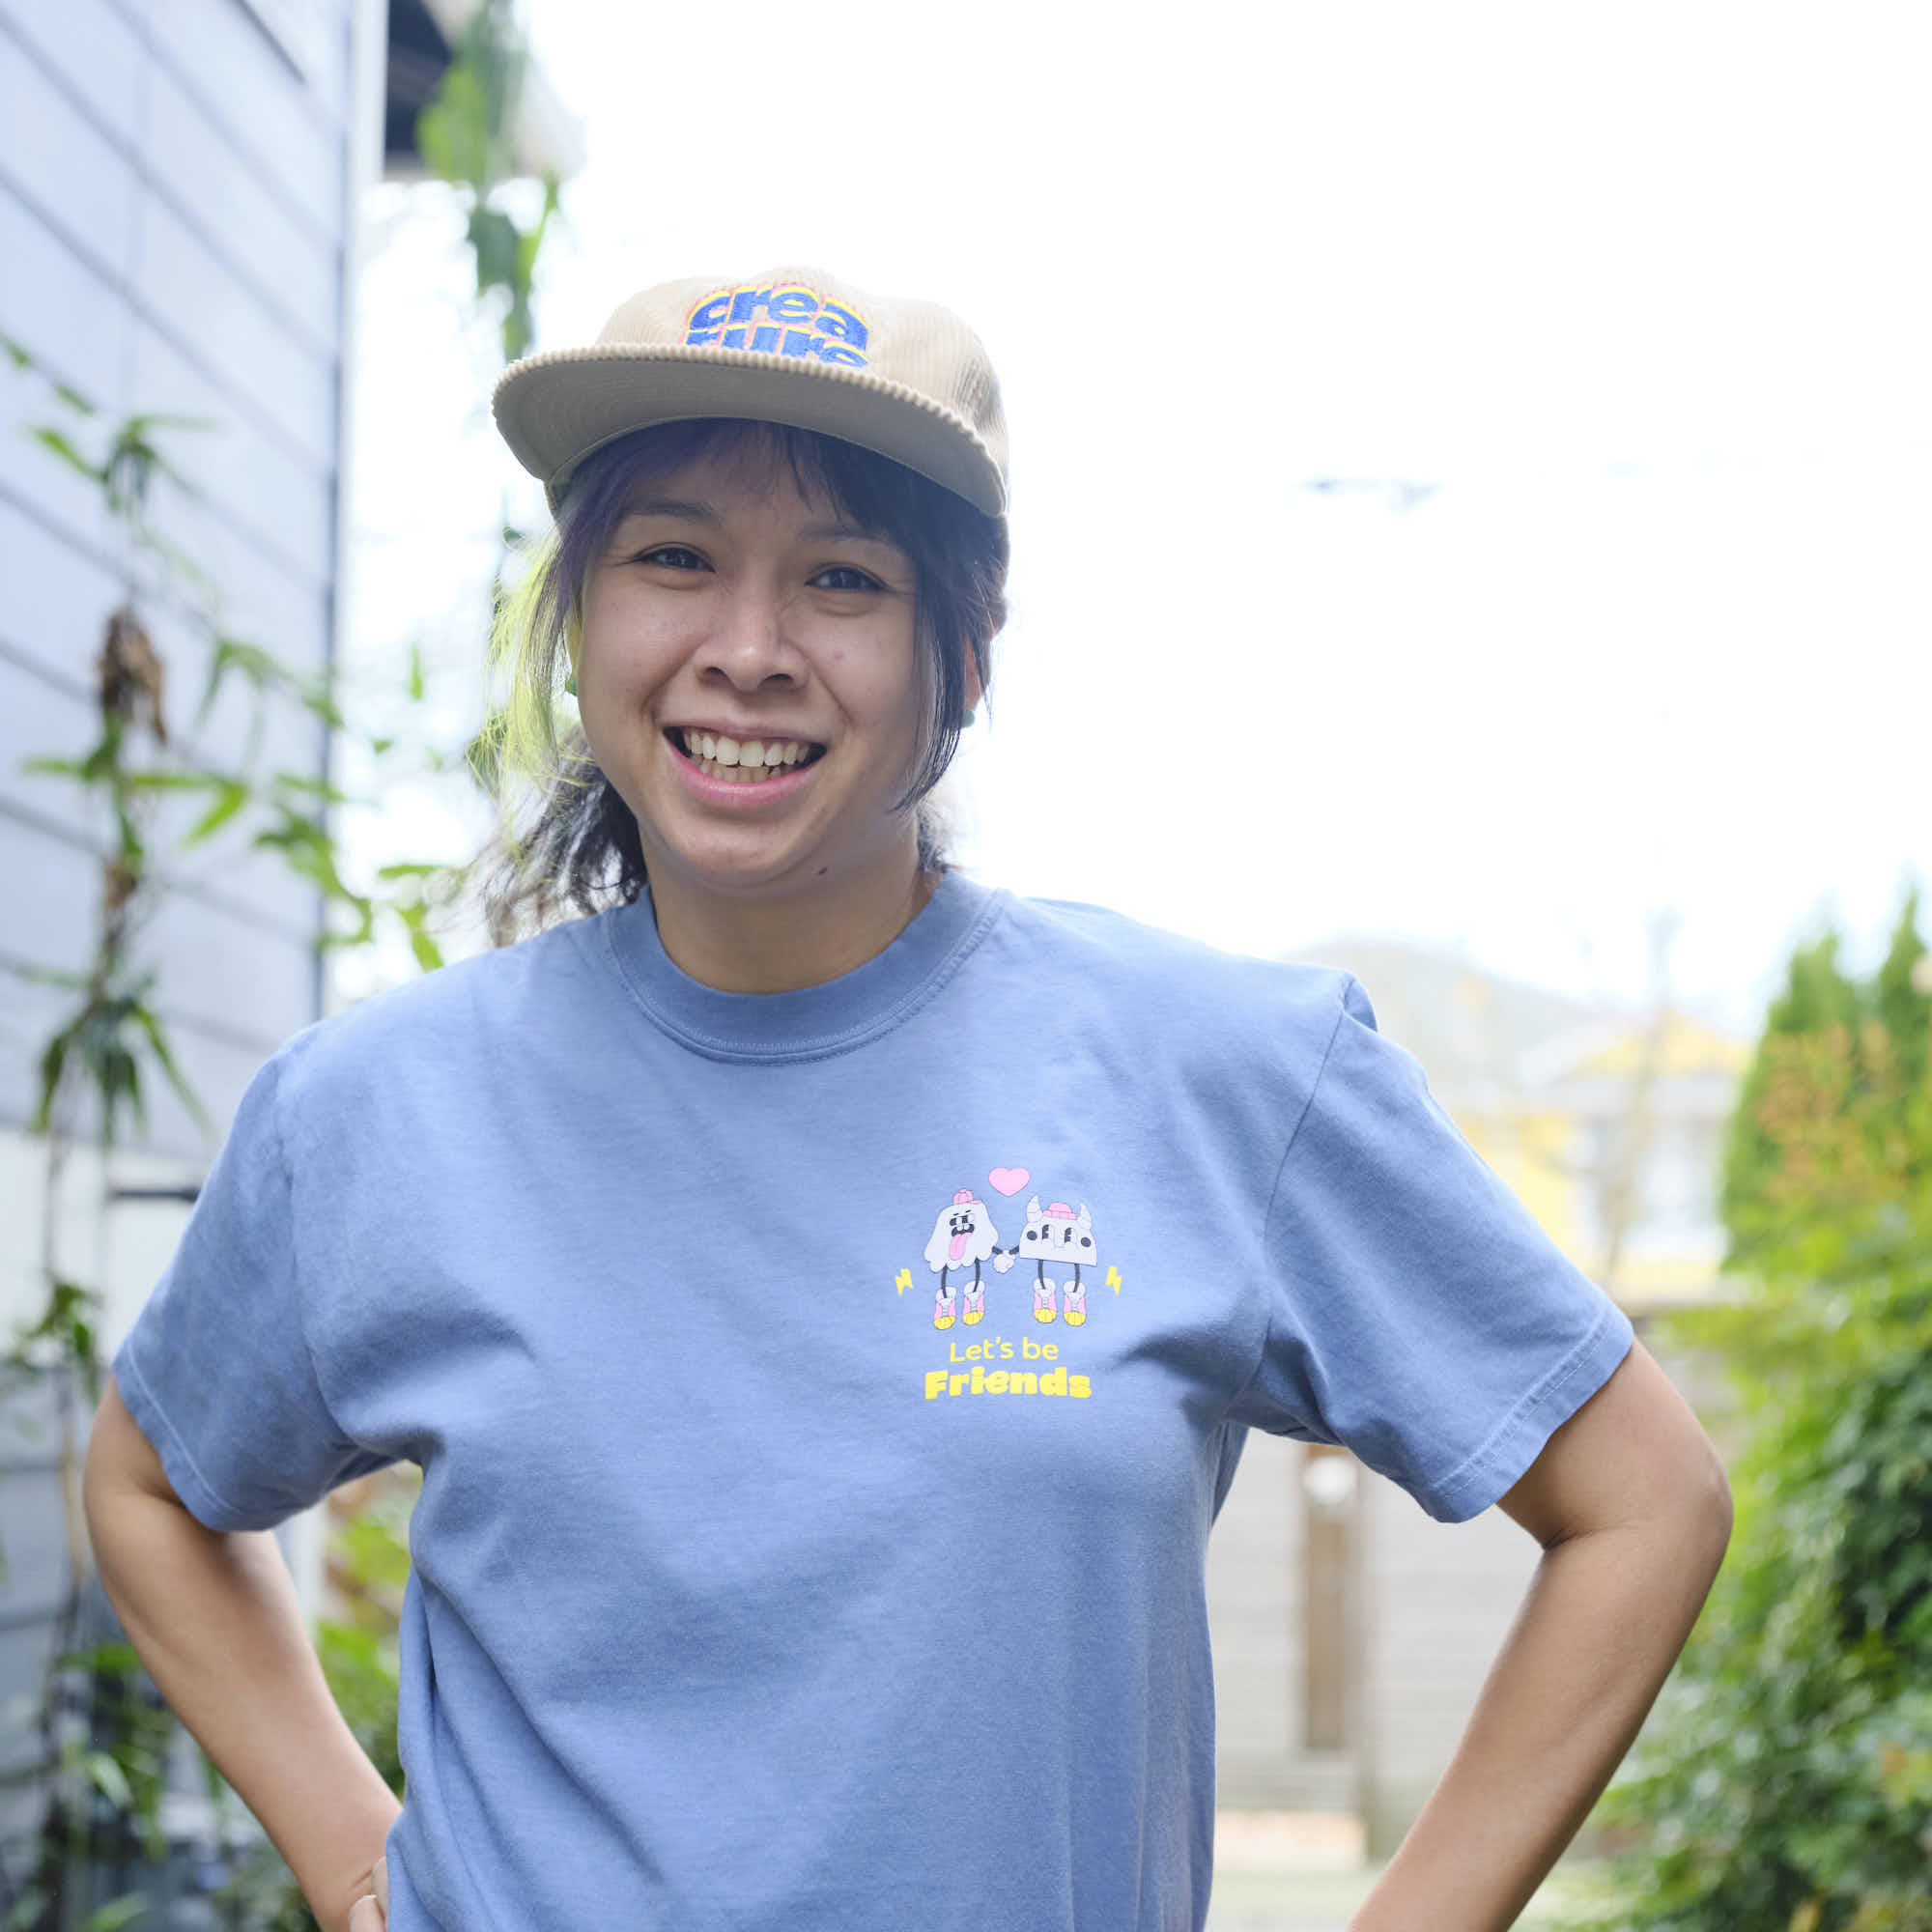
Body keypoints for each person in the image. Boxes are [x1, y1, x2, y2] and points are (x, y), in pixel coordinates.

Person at [82, 266, 1733, 1932]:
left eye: (842, 578)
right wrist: (361, 1869)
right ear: (580, 609)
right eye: (672, 557)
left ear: (968, 645)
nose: (747, 652)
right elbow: (147, 1486)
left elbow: (1643, 1500)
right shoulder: (376, 1113)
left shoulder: (1221, 1075)